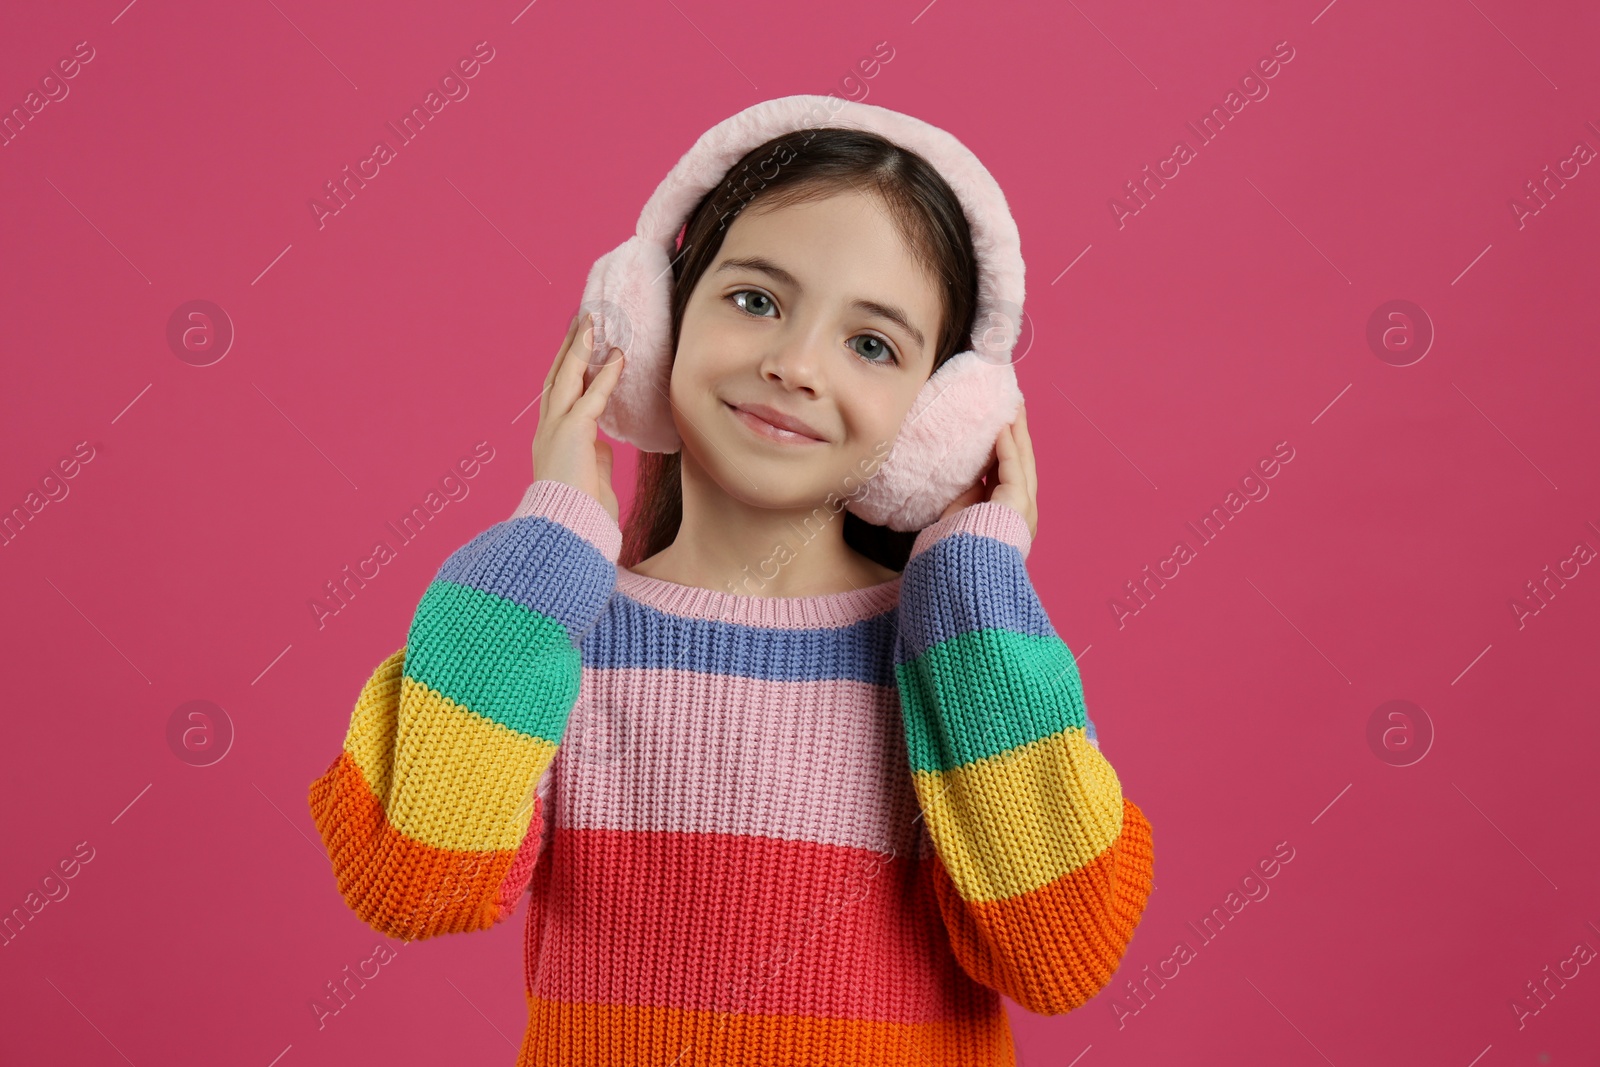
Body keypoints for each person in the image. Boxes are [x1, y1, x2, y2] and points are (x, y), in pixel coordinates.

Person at [308, 95, 1153, 1066]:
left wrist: (969, 585)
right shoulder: (547, 630)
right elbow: (405, 879)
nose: (794, 364)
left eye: (871, 343)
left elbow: (1063, 950)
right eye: (755, 299)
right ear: (656, 323)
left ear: (939, 422)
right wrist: (553, 539)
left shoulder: (959, 667)